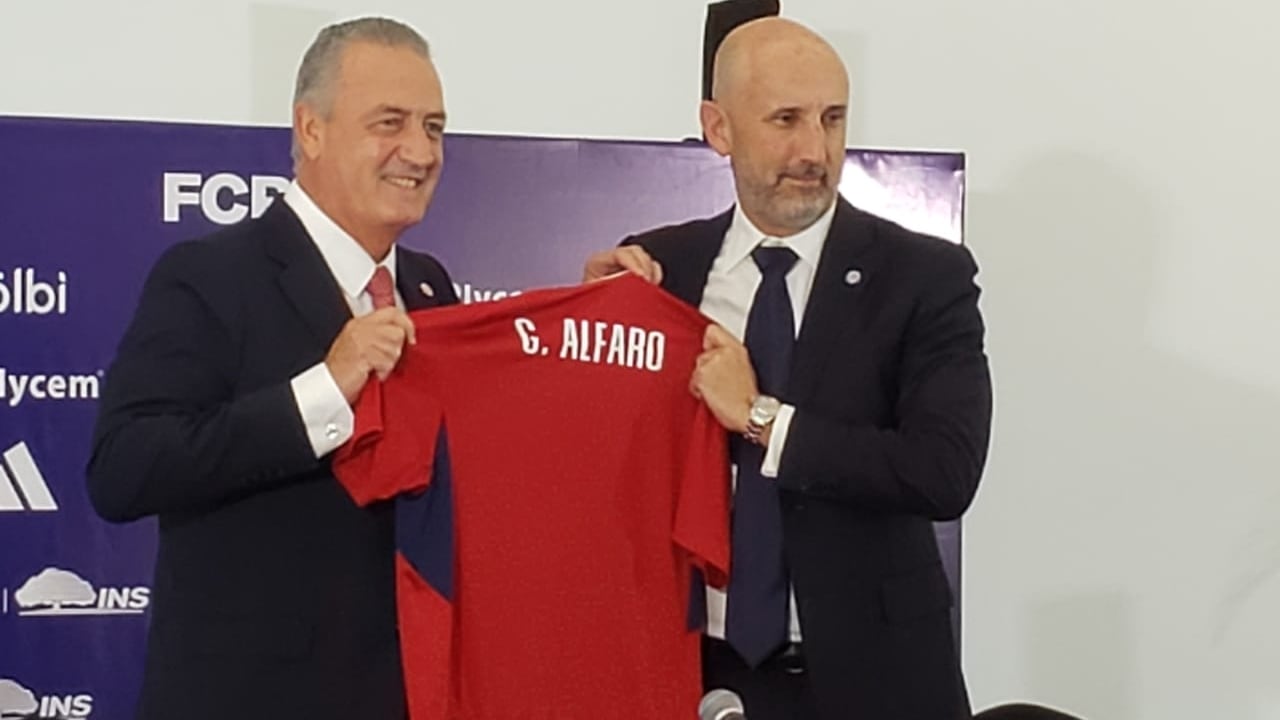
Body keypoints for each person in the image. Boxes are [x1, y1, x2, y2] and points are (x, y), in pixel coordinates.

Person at [584, 17, 992, 720]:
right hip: (696, 676)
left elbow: (943, 471)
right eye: (786, 120)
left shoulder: (924, 276)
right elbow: (604, 467)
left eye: (832, 119)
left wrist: (762, 419)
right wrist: (588, 328)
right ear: (718, 128)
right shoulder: (660, 269)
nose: (815, 150)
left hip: (876, 684)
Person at [86, 17, 457, 720]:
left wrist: (600, 313)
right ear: (310, 129)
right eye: (390, 122)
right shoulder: (209, 276)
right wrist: (325, 391)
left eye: (433, 127)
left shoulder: (433, 287)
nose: (419, 151)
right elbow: (124, 469)